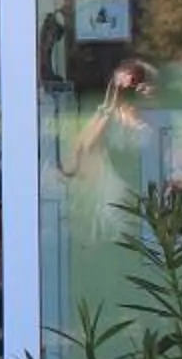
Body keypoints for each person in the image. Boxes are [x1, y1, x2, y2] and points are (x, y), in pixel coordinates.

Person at [63, 58, 172, 239]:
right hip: (118, 201)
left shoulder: (158, 118)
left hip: (150, 199)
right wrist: (109, 106)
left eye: (141, 82)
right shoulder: (110, 117)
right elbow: (85, 146)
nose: (136, 89)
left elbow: (156, 148)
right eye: (130, 85)